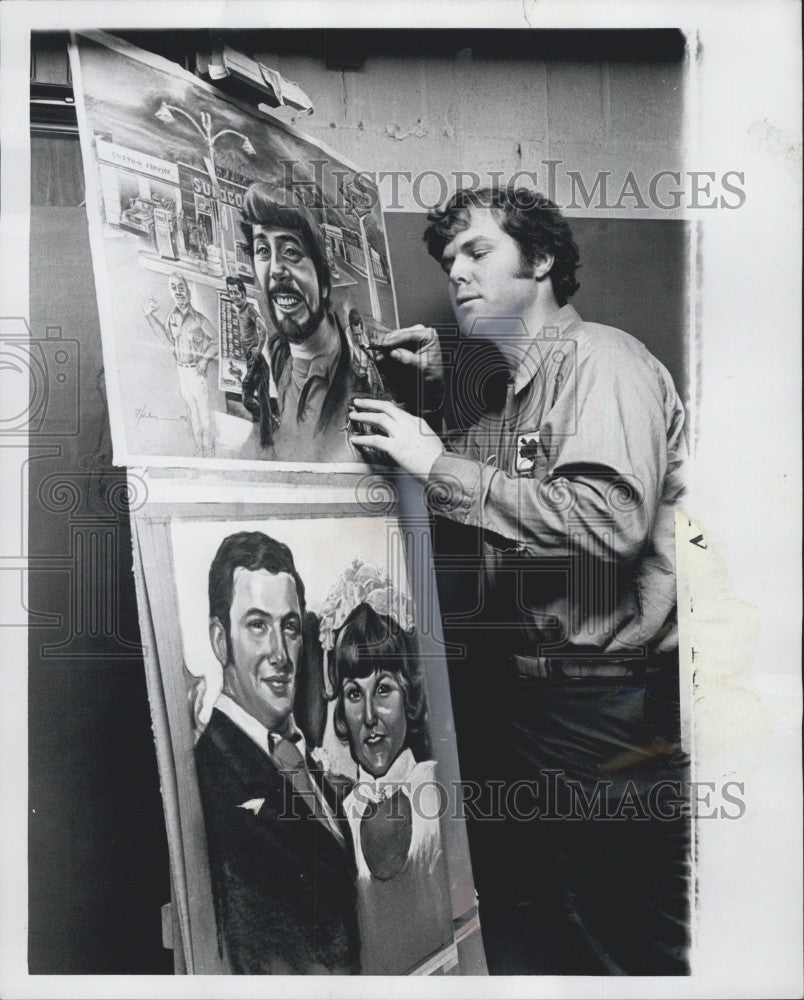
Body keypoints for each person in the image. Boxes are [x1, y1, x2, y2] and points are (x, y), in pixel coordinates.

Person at [349, 186, 689, 975]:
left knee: (638, 940)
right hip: (548, 705)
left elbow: (608, 524)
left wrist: (436, 460)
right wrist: (434, 394)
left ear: (539, 260)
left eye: (477, 252)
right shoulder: (508, 402)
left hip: (611, 706)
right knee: (573, 932)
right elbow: (503, 504)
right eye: (447, 260)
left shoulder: (601, 360)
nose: (457, 274)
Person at [194, 531, 360, 974]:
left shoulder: (296, 754)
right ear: (219, 639)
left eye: (289, 626)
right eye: (256, 625)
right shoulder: (212, 772)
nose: (280, 653)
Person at [331, 602, 453, 975]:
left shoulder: (439, 788)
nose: (369, 716)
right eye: (354, 694)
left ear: (409, 696)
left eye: (383, 689)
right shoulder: (342, 819)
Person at [238, 184, 387, 463]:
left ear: (324, 272)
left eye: (291, 251)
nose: (276, 269)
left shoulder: (367, 370)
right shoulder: (269, 363)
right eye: (262, 251)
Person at [142, 272, 218, 456]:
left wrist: (205, 359)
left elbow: (217, 341)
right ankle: (198, 449)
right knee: (191, 410)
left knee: (204, 411)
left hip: (196, 372)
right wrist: (149, 317)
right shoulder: (171, 318)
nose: (178, 292)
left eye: (181, 287)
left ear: (188, 292)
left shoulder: (199, 319)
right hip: (181, 371)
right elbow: (167, 339)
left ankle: (209, 449)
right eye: (174, 288)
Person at [224, 275, 279, 446]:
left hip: (257, 362)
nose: (233, 296)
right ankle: (269, 420)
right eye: (230, 293)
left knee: (256, 398)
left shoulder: (249, 309)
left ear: (243, 293)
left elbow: (263, 329)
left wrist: (258, 348)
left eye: (236, 293)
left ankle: (269, 431)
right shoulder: (239, 311)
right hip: (250, 361)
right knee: (248, 398)